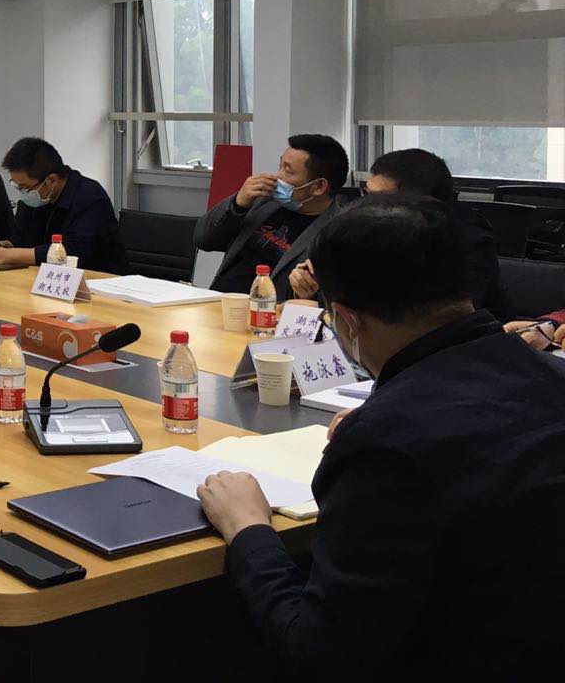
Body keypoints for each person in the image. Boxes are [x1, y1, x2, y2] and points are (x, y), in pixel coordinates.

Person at [195, 197, 565, 678]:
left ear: (346, 320)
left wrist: (248, 529)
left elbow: (317, 653)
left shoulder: (386, 444)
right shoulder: (548, 375)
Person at [289, 148, 511, 316]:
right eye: (367, 194)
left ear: (418, 201)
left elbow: (443, 315)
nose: (366, 205)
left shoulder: (467, 239)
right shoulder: (373, 227)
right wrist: (316, 286)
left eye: (379, 198)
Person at [194, 134, 349, 294]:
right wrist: (237, 205)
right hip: (222, 299)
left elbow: (332, 295)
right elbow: (203, 239)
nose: (277, 176)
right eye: (279, 166)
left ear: (318, 187)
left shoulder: (337, 234)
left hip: (272, 307)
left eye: (288, 171)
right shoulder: (263, 200)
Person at [0, 137, 129, 272]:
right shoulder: (34, 198)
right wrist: (1, 246)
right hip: (43, 280)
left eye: (25, 187)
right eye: (17, 187)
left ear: (51, 180)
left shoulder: (90, 196)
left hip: (98, 283)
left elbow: (73, 252)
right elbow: (19, 240)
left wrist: (5, 255)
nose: (22, 193)